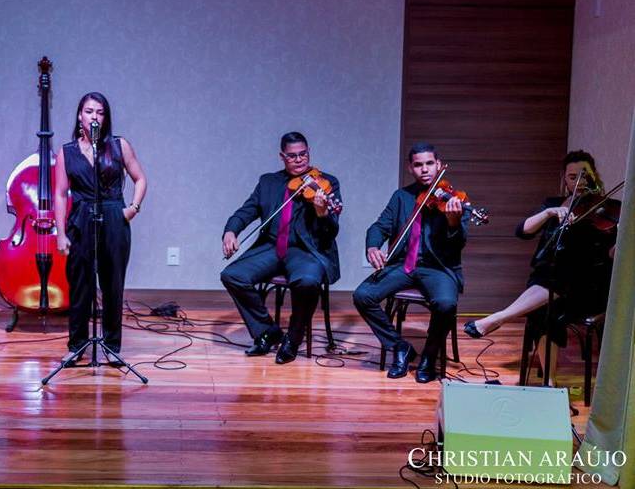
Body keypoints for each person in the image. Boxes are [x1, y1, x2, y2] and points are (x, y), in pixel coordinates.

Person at [463, 151, 618, 351]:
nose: (580, 182)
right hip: (549, 281)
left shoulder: (609, 209)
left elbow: (613, 256)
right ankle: (550, 382)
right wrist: (548, 213)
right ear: (565, 179)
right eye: (573, 177)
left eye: (585, 176)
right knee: (542, 310)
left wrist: (622, 237)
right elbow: (522, 231)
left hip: (587, 287)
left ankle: (498, 318)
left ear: (594, 175)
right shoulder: (553, 204)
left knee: (562, 275)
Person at [220, 132, 342, 364]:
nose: (299, 160)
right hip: (272, 247)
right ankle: (267, 330)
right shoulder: (268, 182)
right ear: (282, 157)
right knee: (232, 275)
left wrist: (322, 212)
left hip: (307, 250)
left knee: (307, 281)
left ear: (309, 153)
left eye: (303, 154)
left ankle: (293, 339)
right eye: (292, 156)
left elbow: (331, 230)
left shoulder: (326, 183)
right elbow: (247, 210)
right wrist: (231, 230)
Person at [353, 142, 467, 383]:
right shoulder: (401, 197)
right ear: (410, 168)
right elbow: (379, 226)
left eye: (429, 164)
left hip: (437, 267)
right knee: (363, 295)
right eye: (418, 165)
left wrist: (454, 223)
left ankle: (429, 356)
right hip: (403, 264)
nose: (424, 169)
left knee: (445, 304)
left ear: (438, 165)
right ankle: (399, 346)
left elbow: (458, 245)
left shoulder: (452, 199)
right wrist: (372, 246)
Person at [54, 92, 147, 362]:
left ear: (105, 118)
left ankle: (111, 347)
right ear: (79, 116)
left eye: (100, 112)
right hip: (81, 219)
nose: (94, 116)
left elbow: (140, 178)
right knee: (80, 286)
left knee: (112, 285)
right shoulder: (67, 152)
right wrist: (61, 233)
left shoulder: (119, 146)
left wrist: (132, 209)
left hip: (113, 217)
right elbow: (60, 194)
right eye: (89, 111)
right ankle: (78, 346)